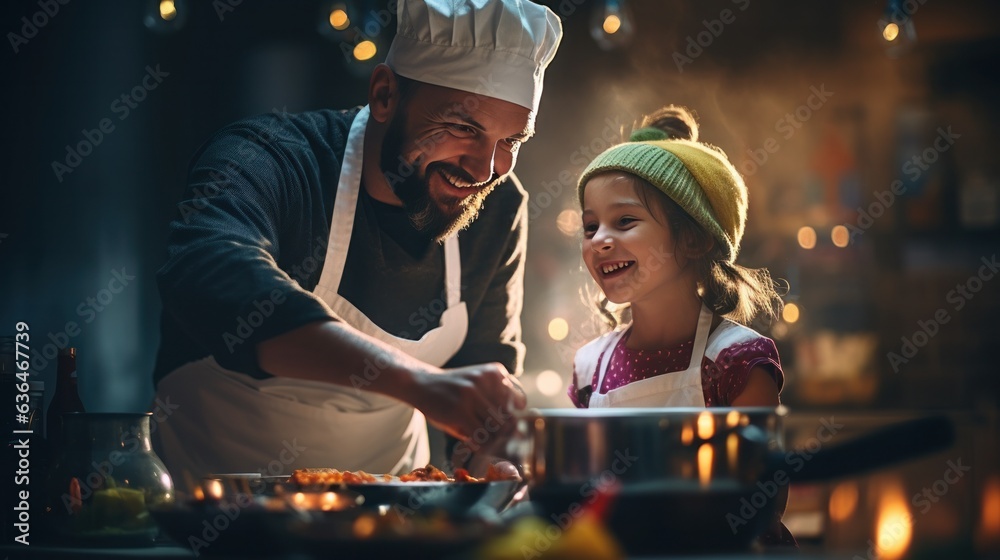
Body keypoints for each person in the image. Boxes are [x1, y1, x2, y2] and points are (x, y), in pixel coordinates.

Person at [151, 0, 562, 488]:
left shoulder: (496, 210)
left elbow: (482, 400)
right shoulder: (272, 160)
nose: (484, 169)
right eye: (463, 128)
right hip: (217, 518)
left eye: (511, 141)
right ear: (385, 95)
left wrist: (494, 465)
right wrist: (419, 384)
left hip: (392, 527)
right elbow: (210, 272)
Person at [568, 105, 796, 546]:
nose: (599, 240)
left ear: (695, 238)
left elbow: (760, 501)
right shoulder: (589, 366)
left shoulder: (737, 360)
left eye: (625, 221)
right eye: (590, 225)